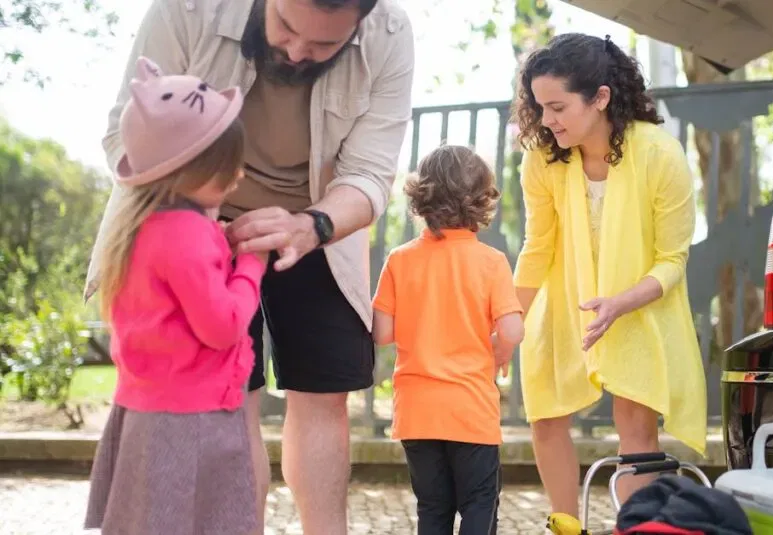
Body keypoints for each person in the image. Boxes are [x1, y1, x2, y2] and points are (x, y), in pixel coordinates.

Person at [84, 0, 414, 532]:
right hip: (193, 221)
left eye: (324, 45)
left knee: (326, 395)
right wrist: (196, 219)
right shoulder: (185, 9)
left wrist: (311, 226)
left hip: (320, 221)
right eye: (286, 26)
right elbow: (124, 135)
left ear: (360, 20)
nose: (298, 51)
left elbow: (371, 175)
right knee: (231, 398)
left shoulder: (391, 34)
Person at [511, 33, 707, 528]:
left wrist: (622, 302)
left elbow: (672, 260)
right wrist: (508, 319)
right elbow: (538, 247)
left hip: (639, 303)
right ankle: (564, 524)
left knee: (635, 424)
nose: (547, 119)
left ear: (600, 98)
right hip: (566, 301)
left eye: (558, 106)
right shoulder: (542, 159)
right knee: (546, 416)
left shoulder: (660, 154)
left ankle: (637, 528)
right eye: (540, 107)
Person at [84, 57, 264, 535]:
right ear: (190, 169)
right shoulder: (187, 233)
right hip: (191, 421)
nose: (239, 175)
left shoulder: (139, 229)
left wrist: (220, 247)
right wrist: (251, 265)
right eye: (228, 166)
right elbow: (223, 326)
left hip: (145, 412)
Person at [371, 145, 525, 535]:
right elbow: (511, 330)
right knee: (478, 502)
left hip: (417, 412)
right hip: (470, 408)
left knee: (433, 508)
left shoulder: (400, 259)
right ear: (482, 200)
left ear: (421, 196)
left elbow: (383, 333)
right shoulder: (491, 262)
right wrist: (499, 352)